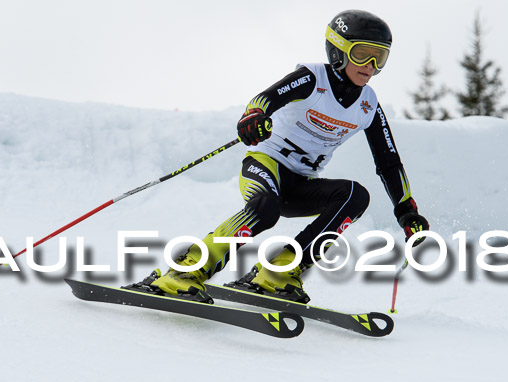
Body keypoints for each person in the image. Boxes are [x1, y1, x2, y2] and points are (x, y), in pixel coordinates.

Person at [141, 9, 430, 303]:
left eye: (379, 58)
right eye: (362, 54)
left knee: (356, 196)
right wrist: (255, 116)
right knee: (266, 207)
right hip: (265, 165)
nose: (370, 66)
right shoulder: (312, 78)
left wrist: (407, 211)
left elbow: (388, 162)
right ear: (338, 50)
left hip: (301, 183)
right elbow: (264, 99)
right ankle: (185, 270)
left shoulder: (368, 105)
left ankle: (279, 271)